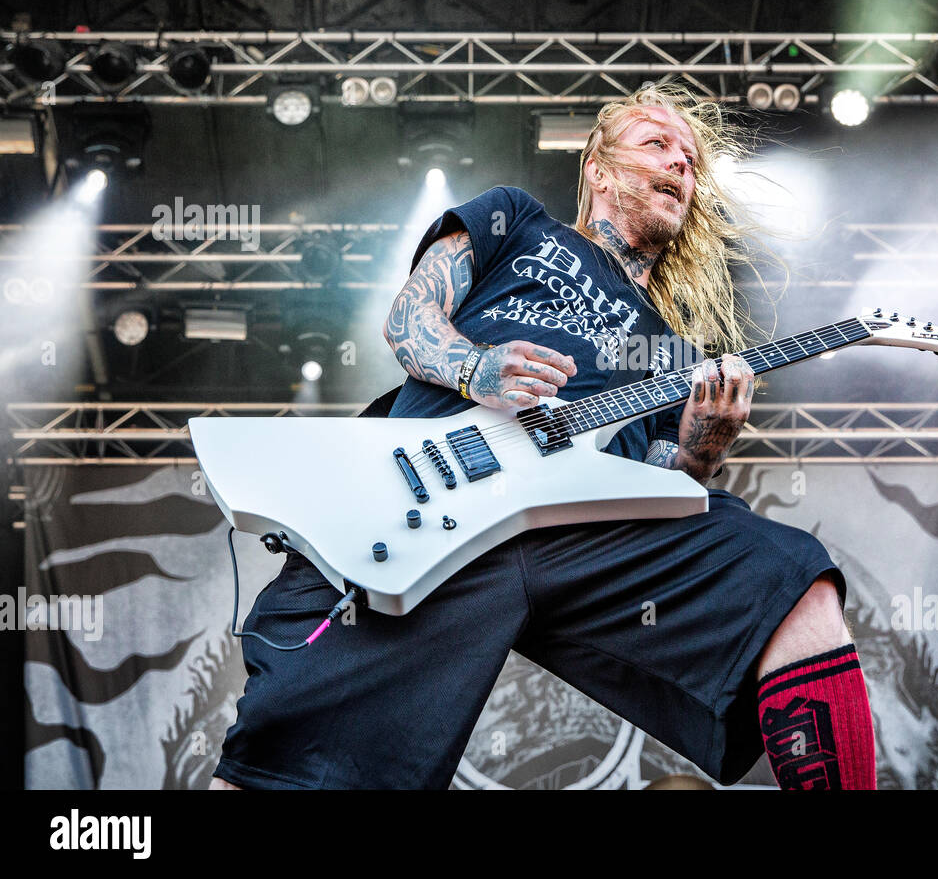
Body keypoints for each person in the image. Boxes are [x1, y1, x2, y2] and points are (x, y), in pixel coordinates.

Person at [211, 82, 876, 790]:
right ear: (596, 167)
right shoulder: (518, 221)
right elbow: (409, 317)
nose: (682, 163)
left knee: (792, 580)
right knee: (288, 761)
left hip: (592, 537)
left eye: (691, 158)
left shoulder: (674, 351)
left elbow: (664, 477)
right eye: (658, 143)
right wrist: (476, 367)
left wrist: (702, 447)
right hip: (436, 500)